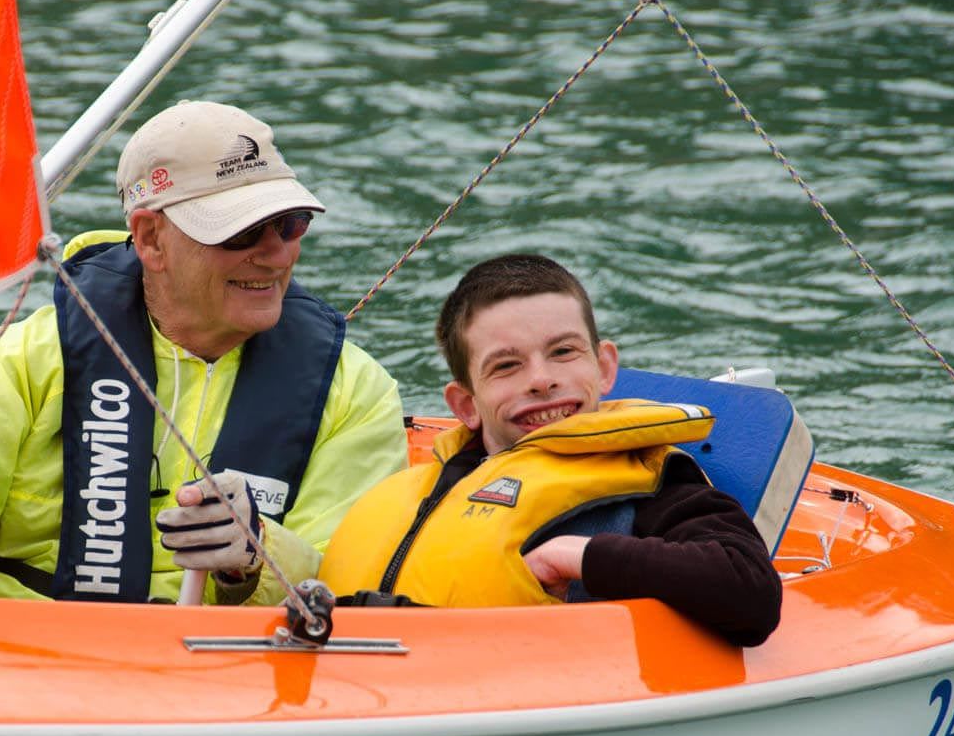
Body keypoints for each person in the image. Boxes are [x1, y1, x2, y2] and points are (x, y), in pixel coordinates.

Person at [0, 101, 407, 604]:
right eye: (239, 233)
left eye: (289, 223)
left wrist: (257, 557)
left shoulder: (354, 391)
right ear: (151, 237)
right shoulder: (37, 354)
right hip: (30, 666)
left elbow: (350, 577)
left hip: (232, 685)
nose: (276, 254)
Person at [319, 253, 782, 646]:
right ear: (466, 405)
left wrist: (578, 556)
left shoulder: (651, 483)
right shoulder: (418, 488)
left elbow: (752, 590)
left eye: (563, 352)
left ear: (603, 368)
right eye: (506, 365)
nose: (541, 379)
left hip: (509, 708)